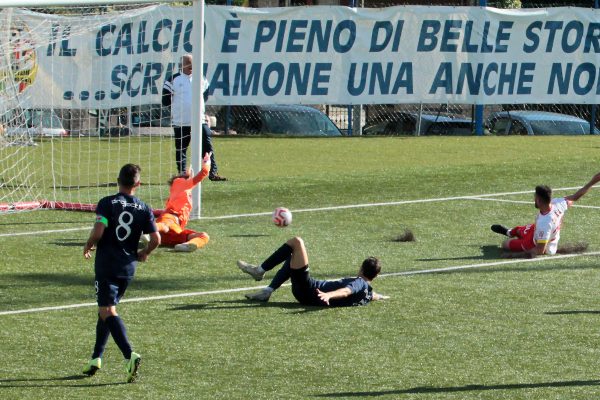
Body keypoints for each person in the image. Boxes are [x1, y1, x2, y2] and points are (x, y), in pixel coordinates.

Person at [82, 164, 160, 383]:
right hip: (127, 267)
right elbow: (156, 240)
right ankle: (96, 357)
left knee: (107, 311)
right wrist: (145, 252)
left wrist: (88, 244)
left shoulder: (107, 203)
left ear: (118, 180)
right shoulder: (144, 208)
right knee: (106, 309)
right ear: (138, 184)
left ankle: (130, 355)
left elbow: (99, 230)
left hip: (107, 264)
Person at [237, 236, 388, 306]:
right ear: (375, 276)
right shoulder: (367, 293)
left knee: (297, 242)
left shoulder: (360, 283)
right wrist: (381, 296)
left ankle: (259, 270)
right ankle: (267, 291)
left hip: (309, 289)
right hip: (307, 295)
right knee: (293, 258)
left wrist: (329, 295)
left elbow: (346, 291)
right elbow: (371, 295)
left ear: (361, 268)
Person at [491, 171, 600, 258]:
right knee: (520, 230)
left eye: (535, 197)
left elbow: (539, 250)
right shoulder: (558, 203)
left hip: (534, 243)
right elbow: (575, 197)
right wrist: (593, 181)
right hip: (537, 232)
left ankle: (512, 237)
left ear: (538, 200)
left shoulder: (545, 223)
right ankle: (509, 232)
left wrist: (513, 255)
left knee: (505, 244)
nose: (534, 199)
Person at [162, 54, 226, 181]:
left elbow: (205, 95)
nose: (191, 66)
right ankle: (182, 174)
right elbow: (165, 100)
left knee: (207, 146)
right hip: (181, 121)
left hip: (199, 120)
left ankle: (212, 172)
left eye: (192, 63)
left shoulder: (201, 78)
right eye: (188, 63)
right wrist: (179, 108)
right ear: (181, 65)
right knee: (181, 148)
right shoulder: (173, 79)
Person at [154, 152, 212, 252]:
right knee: (166, 224)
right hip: (169, 227)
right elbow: (204, 172)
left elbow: (159, 212)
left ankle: (187, 245)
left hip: (168, 234)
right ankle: (148, 231)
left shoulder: (176, 194)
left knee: (204, 235)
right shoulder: (180, 182)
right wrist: (207, 162)